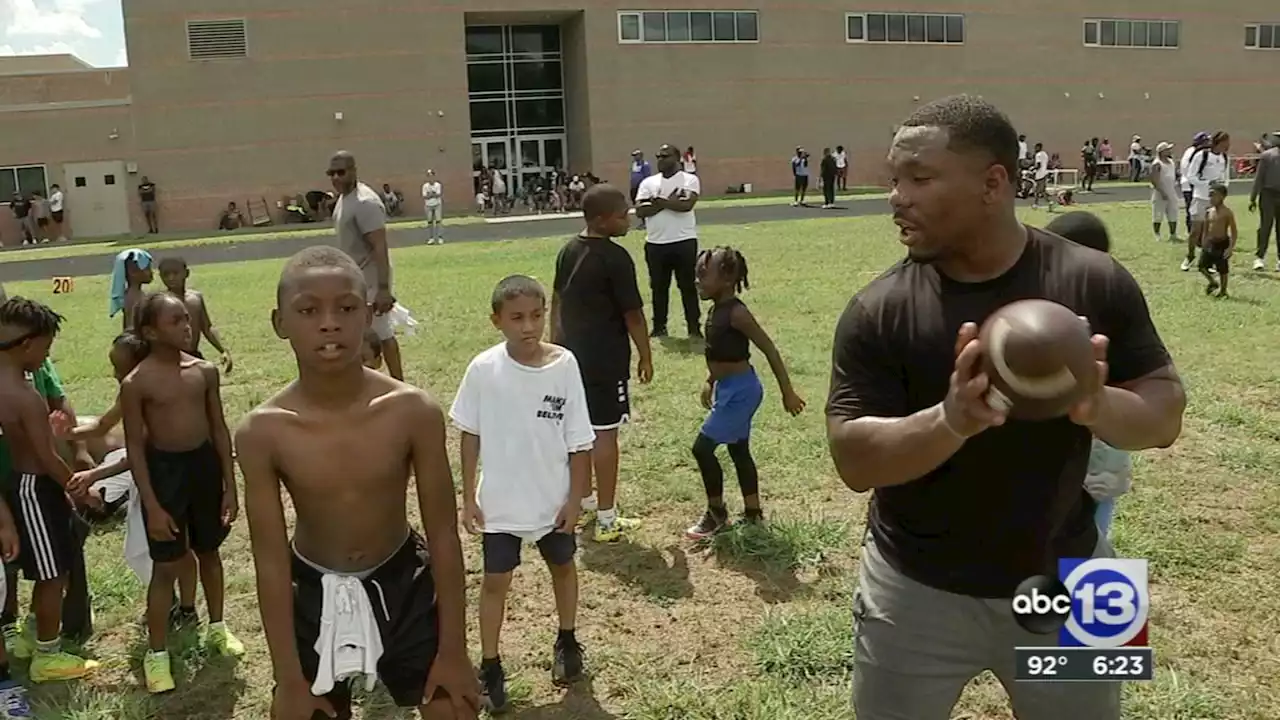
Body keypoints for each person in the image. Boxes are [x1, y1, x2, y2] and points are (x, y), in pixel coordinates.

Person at [826, 95, 1185, 720]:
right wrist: (951, 419)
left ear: (994, 183)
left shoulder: (1095, 280)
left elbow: (1166, 416)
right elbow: (854, 461)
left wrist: (1095, 402)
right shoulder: (878, 310)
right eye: (894, 179)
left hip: (1075, 575)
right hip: (914, 590)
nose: (897, 197)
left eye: (920, 177)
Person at [237, 246, 478, 720]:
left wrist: (455, 650)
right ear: (279, 322)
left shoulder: (412, 412)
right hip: (312, 588)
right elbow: (268, 560)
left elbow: (446, 537)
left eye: (346, 308)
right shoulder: (263, 431)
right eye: (308, 310)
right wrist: (287, 677)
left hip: (402, 578)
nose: (329, 323)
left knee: (453, 707)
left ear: (368, 315)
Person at [452, 275, 593, 712]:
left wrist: (574, 499)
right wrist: (468, 497)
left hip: (552, 499)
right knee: (496, 582)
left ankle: (567, 640)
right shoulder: (483, 369)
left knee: (563, 567)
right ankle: (491, 665)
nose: (528, 327)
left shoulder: (565, 364)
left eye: (536, 316)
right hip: (501, 502)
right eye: (516, 318)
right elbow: (469, 434)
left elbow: (579, 440)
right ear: (497, 321)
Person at [120, 293, 243, 694]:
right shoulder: (136, 383)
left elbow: (219, 429)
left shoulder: (204, 371)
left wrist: (230, 485)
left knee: (210, 551)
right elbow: (136, 447)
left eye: (187, 319)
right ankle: (156, 655)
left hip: (204, 468)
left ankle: (218, 628)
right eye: (176, 321)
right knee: (166, 566)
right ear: (150, 331)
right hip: (165, 474)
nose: (187, 326)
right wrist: (153, 505)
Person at [0, 298, 99, 684]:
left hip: (18, 485)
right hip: (34, 489)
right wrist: (78, 488)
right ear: (26, 345)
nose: (46, 357)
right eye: (46, 348)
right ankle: (47, 654)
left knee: (42, 570)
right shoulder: (25, 396)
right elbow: (45, 457)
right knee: (52, 574)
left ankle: (30, 638)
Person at [550, 184, 654, 544]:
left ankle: (587, 497)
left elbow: (557, 301)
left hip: (572, 359)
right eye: (621, 213)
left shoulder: (568, 251)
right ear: (600, 220)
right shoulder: (616, 257)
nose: (628, 217)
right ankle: (608, 517)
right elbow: (633, 315)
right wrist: (645, 353)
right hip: (606, 360)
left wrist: (554, 345)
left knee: (579, 433)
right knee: (605, 433)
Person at [685, 247, 805, 539]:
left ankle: (716, 514)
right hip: (729, 388)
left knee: (702, 448)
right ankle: (753, 514)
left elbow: (769, 350)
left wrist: (787, 392)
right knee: (739, 449)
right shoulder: (715, 309)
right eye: (697, 274)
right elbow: (722, 353)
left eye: (703, 274)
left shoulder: (738, 313)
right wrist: (711, 380)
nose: (697, 280)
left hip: (742, 391)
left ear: (726, 279)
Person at [1044, 211, 1134, 540]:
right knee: (1095, 545)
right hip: (1104, 458)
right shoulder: (1119, 304)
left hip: (1073, 459)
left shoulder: (1044, 314)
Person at [329, 150, 405, 381]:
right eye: (331, 173)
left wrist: (383, 289)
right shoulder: (345, 199)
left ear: (354, 171)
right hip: (354, 283)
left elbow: (380, 248)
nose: (336, 178)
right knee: (362, 336)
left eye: (341, 172)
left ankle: (399, 386)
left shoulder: (366, 203)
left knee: (383, 336)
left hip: (370, 284)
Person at [635, 144, 703, 340]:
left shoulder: (689, 180)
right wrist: (668, 202)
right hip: (656, 243)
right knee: (658, 287)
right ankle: (659, 327)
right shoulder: (648, 183)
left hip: (684, 241)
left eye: (665, 156)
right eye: (658, 156)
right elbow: (640, 211)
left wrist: (658, 202)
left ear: (677, 158)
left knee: (687, 286)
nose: (660, 160)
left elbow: (686, 205)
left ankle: (693, 328)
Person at [157, 257, 233, 370]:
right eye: (166, 274)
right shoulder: (161, 301)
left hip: (193, 354)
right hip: (171, 358)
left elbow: (206, 327)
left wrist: (223, 350)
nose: (171, 278)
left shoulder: (195, 298)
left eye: (175, 273)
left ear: (186, 273)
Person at [1182, 131, 1230, 272]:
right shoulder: (1201, 155)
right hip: (1200, 197)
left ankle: (1207, 261)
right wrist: (1208, 184)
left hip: (1215, 201)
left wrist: (1222, 188)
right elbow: (1191, 176)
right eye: (1224, 143)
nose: (1226, 146)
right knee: (1195, 231)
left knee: (1211, 233)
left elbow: (1226, 178)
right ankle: (1189, 256)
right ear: (1217, 142)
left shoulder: (1224, 158)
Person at [1199, 183, 1238, 298]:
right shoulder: (1209, 212)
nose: (1211, 198)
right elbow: (1206, 228)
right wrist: (1204, 242)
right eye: (1209, 195)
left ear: (1222, 197)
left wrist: (1230, 248)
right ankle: (1212, 282)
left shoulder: (1227, 212)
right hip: (1210, 242)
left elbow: (1234, 231)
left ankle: (1223, 291)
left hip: (1222, 243)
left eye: (1213, 195)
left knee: (1223, 269)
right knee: (1201, 266)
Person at [1250, 133, 1280, 271]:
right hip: (1268, 194)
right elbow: (1259, 177)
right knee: (1265, 226)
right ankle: (1259, 257)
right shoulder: (1267, 155)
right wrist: (1253, 197)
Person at [110, 248, 154, 331]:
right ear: (133, 272)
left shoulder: (134, 293)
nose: (151, 272)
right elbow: (131, 325)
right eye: (147, 269)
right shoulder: (134, 297)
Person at [1149, 142, 1181, 242]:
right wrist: (1162, 192)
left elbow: (1174, 174)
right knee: (1158, 214)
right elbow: (1154, 179)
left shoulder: (1171, 162)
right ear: (1161, 152)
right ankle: (1157, 234)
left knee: (1173, 212)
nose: (1169, 151)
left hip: (1171, 190)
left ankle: (1173, 234)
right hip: (1160, 192)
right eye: (1167, 149)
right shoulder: (1157, 163)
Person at [1179, 132, 1210, 230]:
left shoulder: (1189, 151)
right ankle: (1195, 232)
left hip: (1187, 183)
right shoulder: (1197, 152)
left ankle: (1193, 231)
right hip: (1192, 184)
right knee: (1196, 210)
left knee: (1192, 210)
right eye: (1206, 141)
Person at [422, 169, 444, 245]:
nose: (430, 178)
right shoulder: (425, 186)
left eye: (431, 176)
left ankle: (440, 237)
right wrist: (432, 194)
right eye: (429, 176)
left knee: (438, 221)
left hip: (437, 204)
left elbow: (438, 194)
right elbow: (425, 196)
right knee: (430, 222)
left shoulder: (438, 185)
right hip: (428, 205)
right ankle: (431, 238)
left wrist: (430, 194)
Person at [1031, 142, 1052, 210]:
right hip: (1044, 173)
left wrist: (1032, 169)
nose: (1035, 149)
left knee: (1037, 191)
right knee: (1042, 190)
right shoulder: (1045, 154)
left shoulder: (1038, 155)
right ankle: (1050, 202)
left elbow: (1038, 165)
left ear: (1039, 147)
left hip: (1039, 175)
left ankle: (1035, 204)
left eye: (1036, 147)